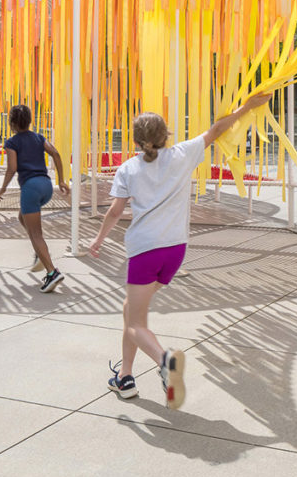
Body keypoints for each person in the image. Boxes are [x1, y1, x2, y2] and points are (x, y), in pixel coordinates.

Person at [90, 92, 272, 409]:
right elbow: (217, 129)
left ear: (136, 139)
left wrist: (98, 240)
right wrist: (247, 106)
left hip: (145, 251)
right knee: (130, 310)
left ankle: (165, 362)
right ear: (165, 135)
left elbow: (115, 212)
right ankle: (126, 376)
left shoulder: (128, 169)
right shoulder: (182, 154)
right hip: (175, 251)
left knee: (136, 324)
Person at [0, 104, 70, 293]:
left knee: (36, 234)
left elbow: (12, 168)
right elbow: (56, 153)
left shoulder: (12, 142)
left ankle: (52, 272)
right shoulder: (38, 137)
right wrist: (61, 180)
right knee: (22, 217)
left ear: (11, 123)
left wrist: (3, 187)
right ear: (29, 121)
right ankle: (40, 252)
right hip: (46, 186)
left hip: (30, 188)